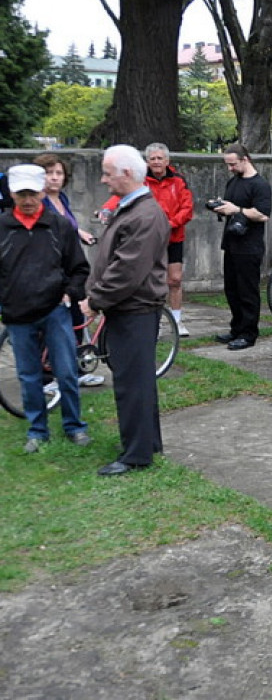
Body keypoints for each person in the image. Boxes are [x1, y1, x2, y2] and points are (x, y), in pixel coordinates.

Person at [81, 145, 170, 476]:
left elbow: (125, 271)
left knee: (132, 384)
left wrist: (94, 301)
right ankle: (148, 444)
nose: (103, 180)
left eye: (108, 174)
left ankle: (135, 455)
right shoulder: (132, 209)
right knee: (138, 380)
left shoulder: (144, 215)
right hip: (130, 309)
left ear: (128, 174)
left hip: (135, 311)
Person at [0, 164, 92, 454]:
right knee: (28, 376)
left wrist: (69, 293)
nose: (28, 200)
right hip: (17, 315)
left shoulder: (59, 226)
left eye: (33, 193)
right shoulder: (2, 227)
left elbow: (79, 268)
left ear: (42, 191)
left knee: (66, 371)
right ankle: (37, 430)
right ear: (12, 194)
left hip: (54, 310)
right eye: (21, 194)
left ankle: (74, 426)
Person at [96, 144, 195, 337]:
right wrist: (106, 209)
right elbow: (122, 195)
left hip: (173, 236)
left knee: (175, 280)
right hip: (149, 238)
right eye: (152, 159)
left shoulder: (178, 181)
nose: (156, 162)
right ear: (147, 161)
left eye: (160, 158)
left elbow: (187, 208)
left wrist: (169, 224)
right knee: (150, 280)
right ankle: (155, 322)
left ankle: (177, 320)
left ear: (167, 161)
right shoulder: (141, 180)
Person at [33, 152, 105, 387]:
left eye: (59, 173)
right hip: (51, 269)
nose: (54, 177)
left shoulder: (61, 199)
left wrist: (80, 232)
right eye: (49, 173)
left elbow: (67, 226)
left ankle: (76, 369)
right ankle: (46, 375)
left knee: (76, 316)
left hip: (71, 267)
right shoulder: (38, 202)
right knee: (50, 322)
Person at [212, 143, 272, 351]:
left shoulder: (260, 185)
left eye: (233, 164)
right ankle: (236, 328)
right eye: (227, 164)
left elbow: (263, 214)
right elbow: (231, 207)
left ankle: (248, 333)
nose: (230, 168)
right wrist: (220, 207)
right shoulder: (234, 182)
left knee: (247, 291)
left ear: (245, 159)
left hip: (249, 246)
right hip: (231, 243)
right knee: (232, 290)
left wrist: (237, 210)